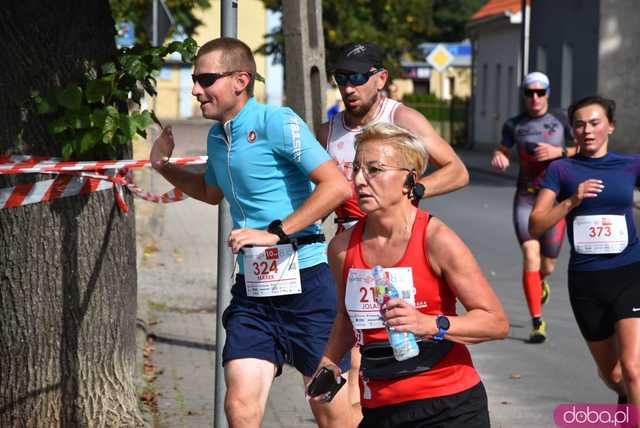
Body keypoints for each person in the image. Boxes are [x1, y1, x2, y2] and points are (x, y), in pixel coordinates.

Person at [150, 37, 354, 428]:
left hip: (306, 285)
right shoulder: (218, 136)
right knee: (240, 408)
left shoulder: (276, 121)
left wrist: (276, 232)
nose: (196, 89)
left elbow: (336, 186)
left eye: (206, 79)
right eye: (195, 79)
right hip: (254, 293)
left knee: (332, 413)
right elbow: (212, 192)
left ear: (241, 80)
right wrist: (164, 167)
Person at [311, 122, 509, 428]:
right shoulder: (340, 249)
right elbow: (346, 316)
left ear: (409, 181)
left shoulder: (436, 239)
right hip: (380, 408)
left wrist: (430, 324)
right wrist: (328, 362)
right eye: (357, 170)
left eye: (374, 170)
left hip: (449, 407)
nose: (360, 181)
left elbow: (495, 322)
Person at [318, 42, 470, 423]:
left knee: (379, 352)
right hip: (348, 250)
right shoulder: (327, 130)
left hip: (395, 248)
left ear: (380, 78)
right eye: (341, 78)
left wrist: (414, 190)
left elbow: (457, 170)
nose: (348, 87)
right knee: (355, 357)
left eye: (357, 78)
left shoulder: (402, 118)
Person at [530, 96, 640, 406]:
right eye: (579, 124)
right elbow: (536, 224)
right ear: (572, 130)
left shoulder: (631, 164)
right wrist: (571, 201)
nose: (587, 130)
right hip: (587, 283)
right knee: (616, 377)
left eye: (595, 123)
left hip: (630, 275)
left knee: (634, 370)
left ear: (611, 126)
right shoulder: (561, 170)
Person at [490, 71, 575, 343]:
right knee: (530, 254)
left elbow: (582, 148)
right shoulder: (514, 124)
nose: (535, 98)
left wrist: (558, 153)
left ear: (548, 93)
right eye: (529, 93)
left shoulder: (562, 119)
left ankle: (541, 281)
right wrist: (498, 156)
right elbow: (502, 149)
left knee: (547, 265)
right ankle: (537, 322)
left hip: (554, 198)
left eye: (540, 92)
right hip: (526, 196)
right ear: (524, 96)